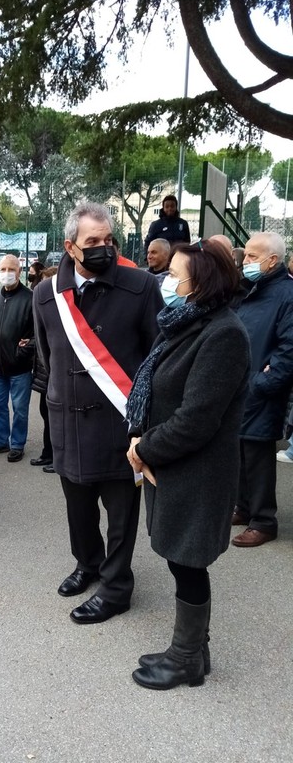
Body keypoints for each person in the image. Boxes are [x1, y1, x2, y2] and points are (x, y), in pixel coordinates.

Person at [125, 239, 250, 690]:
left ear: (201, 284)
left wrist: (144, 449)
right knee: (182, 560)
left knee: (187, 563)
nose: (166, 283)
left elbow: (196, 420)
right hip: (175, 466)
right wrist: (140, 436)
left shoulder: (223, 334)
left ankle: (186, 659)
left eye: (174, 276)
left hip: (197, 473)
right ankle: (195, 650)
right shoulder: (186, 323)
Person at [33, 201, 162, 624]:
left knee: (121, 514)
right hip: (68, 421)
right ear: (70, 246)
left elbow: (157, 357)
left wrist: (145, 421)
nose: (103, 247)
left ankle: (116, 587)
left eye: (109, 239)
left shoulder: (140, 286)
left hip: (120, 423)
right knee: (79, 508)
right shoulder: (46, 294)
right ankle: (87, 563)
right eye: (93, 241)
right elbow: (47, 355)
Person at [232, 231, 293, 547]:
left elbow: (288, 349)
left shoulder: (287, 294)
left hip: (262, 390)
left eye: (253, 256)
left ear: (272, 260)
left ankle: (264, 521)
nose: (246, 261)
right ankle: (244, 507)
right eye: (246, 255)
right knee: (242, 450)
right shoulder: (255, 289)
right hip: (246, 386)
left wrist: (260, 383)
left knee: (258, 454)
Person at [0, 254, 34, 463]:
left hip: (20, 368)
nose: (6, 273)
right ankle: (0, 441)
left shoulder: (30, 298)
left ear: (19, 272)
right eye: (3, 269)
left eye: (11, 269)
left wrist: (23, 352)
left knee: (20, 408)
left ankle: (17, 444)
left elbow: (38, 334)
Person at [30, 265, 57, 472]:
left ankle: (57, 458)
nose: (42, 285)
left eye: (47, 281)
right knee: (45, 414)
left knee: (56, 419)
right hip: (43, 374)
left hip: (56, 375)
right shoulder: (44, 306)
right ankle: (47, 454)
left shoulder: (63, 310)